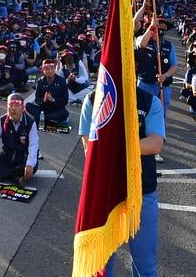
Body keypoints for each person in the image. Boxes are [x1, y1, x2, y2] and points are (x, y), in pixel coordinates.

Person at [80, 80, 165, 277]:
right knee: (98, 265)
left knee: (145, 267)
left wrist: (115, 145)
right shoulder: (93, 99)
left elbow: (155, 143)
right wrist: (129, 147)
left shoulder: (149, 100)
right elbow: (89, 149)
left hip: (142, 192)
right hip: (104, 192)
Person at [0, 94, 38, 185]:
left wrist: (30, 164)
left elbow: (33, 145)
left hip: (22, 160)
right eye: (11, 105)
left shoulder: (30, 123)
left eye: (17, 106)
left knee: (33, 165)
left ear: (23, 108)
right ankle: (15, 178)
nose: (13, 109)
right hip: (7, 158)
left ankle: (4, 174)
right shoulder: (2, 120)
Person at [26, 59, 70, 125]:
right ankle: (49, 121)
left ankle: (44, 120)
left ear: (55, 69)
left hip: (57, 109)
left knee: (64, 113)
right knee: (28, 105)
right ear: (43, 71)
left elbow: (65, 100)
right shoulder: (40, 81)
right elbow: (37, 99)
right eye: (47, 69)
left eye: (52, 68)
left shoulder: (61, 81)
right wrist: (43, 100)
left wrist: (53, 100)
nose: (50, 71)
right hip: (44, 109)